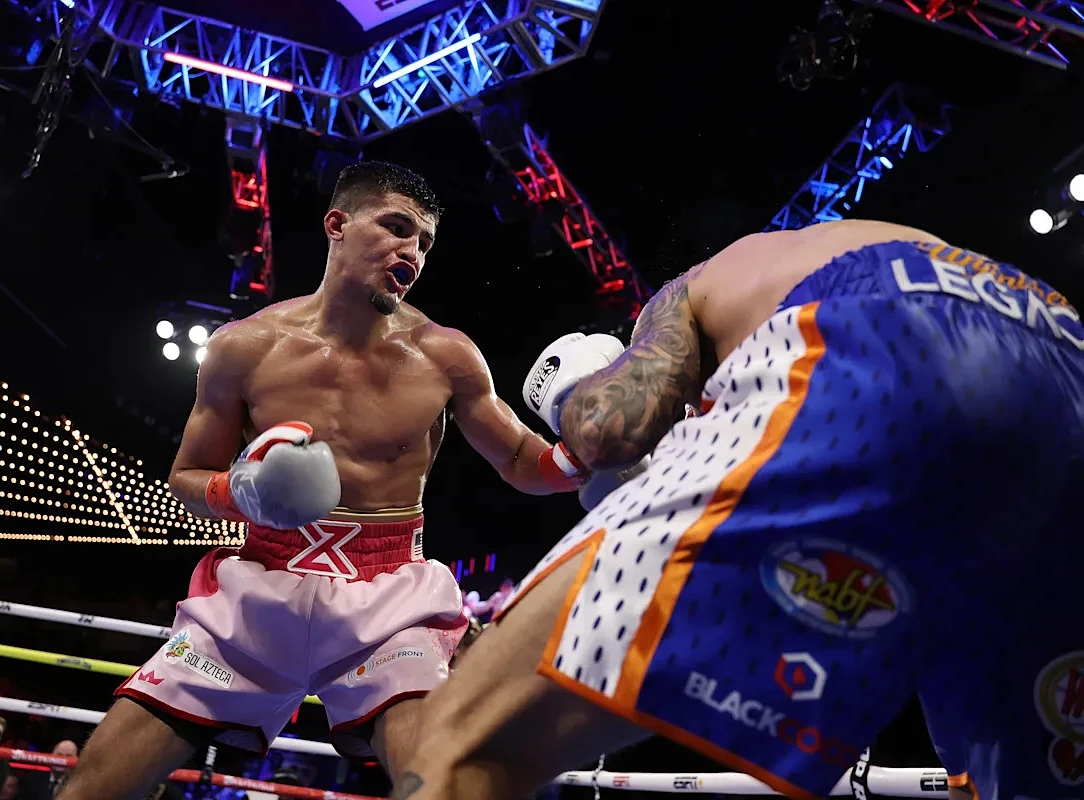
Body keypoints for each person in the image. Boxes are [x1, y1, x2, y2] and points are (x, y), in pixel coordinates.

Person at [390, 219, 1084, 800]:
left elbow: (609, 429)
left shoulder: (688, 293)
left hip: (879, 334)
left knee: (461, 742)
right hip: (1064, 363)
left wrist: (572, 398)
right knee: (1007, 780)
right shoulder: (807, 260)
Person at [58, 161, 609, 800]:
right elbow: (185, 476)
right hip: (258, 589)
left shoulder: (446, 355)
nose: (412, 252)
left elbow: (519, 459)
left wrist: (586, 454)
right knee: (97, 782)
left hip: (389, 599)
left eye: (424, 242)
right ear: (337, 224)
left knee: (437, 780)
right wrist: (242, 493)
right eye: (397, 227)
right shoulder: (244, 347)